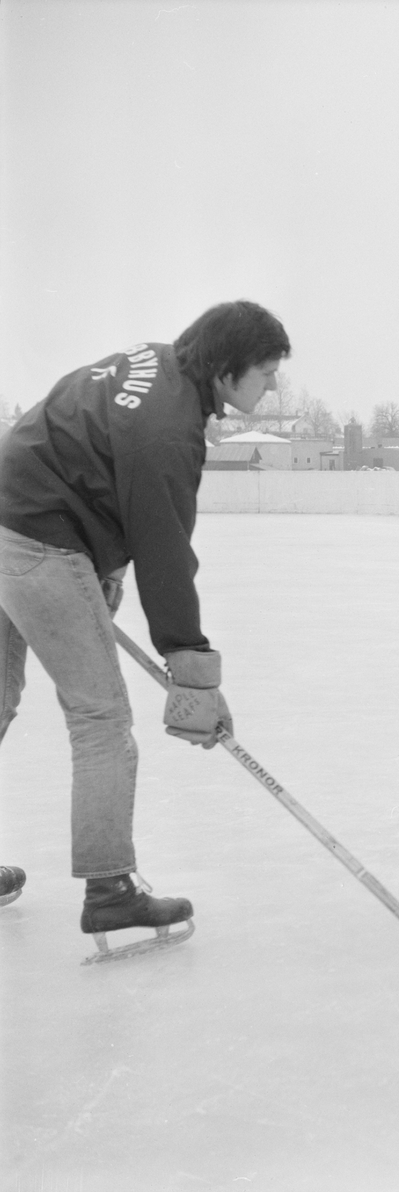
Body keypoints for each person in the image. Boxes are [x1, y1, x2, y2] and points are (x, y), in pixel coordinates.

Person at [0, 300, 291, 961]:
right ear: (227, 368)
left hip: (13, 509)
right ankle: (109, 891)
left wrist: (95, 570)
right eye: (266, 371)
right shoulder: (169, 431)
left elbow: (88, 453)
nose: (270, 386)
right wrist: (190, 669)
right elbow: (163, 552)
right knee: (99, 717)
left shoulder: (159, 363)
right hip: (37, 537)